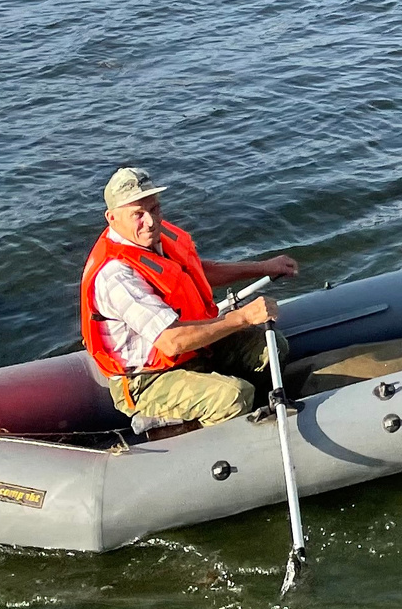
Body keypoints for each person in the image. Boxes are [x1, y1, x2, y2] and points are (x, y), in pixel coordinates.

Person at [81, 167, 300, 428]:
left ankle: (257, 415)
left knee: (271, 347)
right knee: (233, 397)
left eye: (154, 209)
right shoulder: (116, 275)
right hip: (150, 379)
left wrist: (263, 267)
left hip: (194, 350)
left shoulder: (152, 238)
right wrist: (242, 317)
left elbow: (196, 272)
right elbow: (171, 341)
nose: (150, 221)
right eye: (137, 215)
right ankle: (178, 429)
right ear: (112, 218)